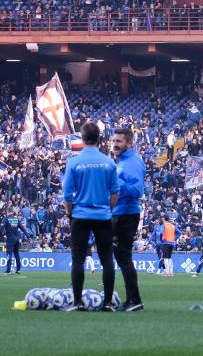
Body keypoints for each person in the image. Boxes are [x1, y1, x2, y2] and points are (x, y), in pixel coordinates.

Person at [61, 121, 119, 312]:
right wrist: (107, 209)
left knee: (78, 259)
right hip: (103, 216)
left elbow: (67, 194)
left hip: (80, 215)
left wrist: (70, 212)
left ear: (83, 138)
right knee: (106, 259)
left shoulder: (74, 162)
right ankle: (108, 303)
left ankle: (77, 302)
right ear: (99, 138)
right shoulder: (109, 162)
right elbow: (115, 192)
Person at [111, 126, 145, 310]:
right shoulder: (123, 161)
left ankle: (134, 301)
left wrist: (117, 183)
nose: (115, 144)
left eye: (119, 141)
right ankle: (132, 299)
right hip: (119, 213)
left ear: (129, 143)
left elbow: (137, 191)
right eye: (114, 141)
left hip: (126, 215)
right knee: (120, 257)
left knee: (123, 257)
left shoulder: (132, 162)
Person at [0, 206, 28, 275]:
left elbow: (1, 228)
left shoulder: (6, 219)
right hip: (17, 239)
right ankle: (18, 269)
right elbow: (22, 228)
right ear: (12, 212)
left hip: (10, 239)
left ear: (7, 211)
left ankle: (9, 270)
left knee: (9, 254)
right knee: (17, 254)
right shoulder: (16, 219)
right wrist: (28, 236)